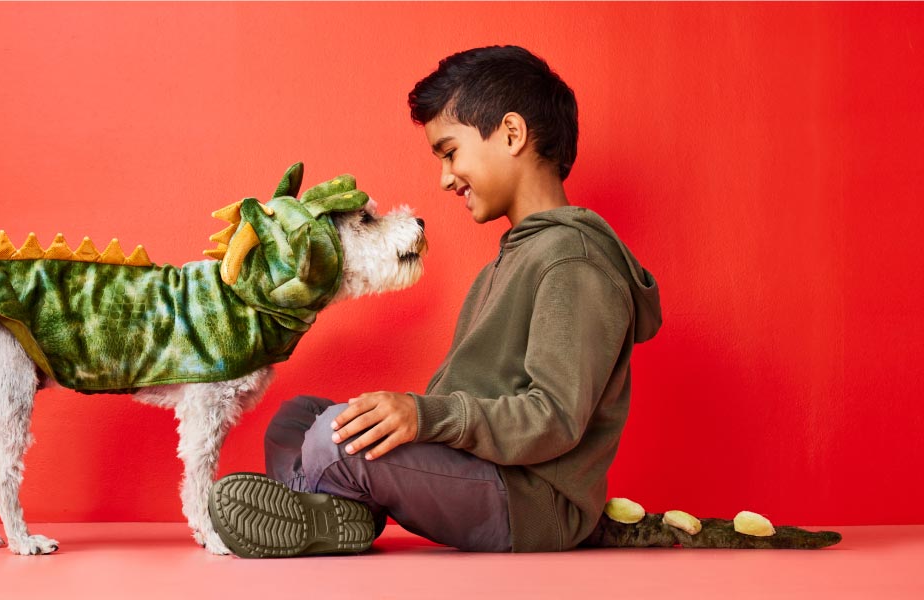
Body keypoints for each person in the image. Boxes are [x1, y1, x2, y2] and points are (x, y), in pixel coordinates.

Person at [208, 44, 663, 557]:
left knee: (332, 441)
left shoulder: (571, 261)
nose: (446, 178)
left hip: (530, 501)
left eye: (449, 152)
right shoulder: (511, 260)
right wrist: (417, 419)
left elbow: (554, 419)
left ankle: (320, 508)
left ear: (511, 134)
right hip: (477, 467)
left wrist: (424, 417)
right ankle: (334, 514)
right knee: (299, 417)